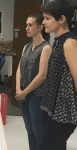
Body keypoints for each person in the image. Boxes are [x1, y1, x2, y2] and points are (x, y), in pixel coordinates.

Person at [40, 0, 77, 149]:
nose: (43, 22)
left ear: (61, 19)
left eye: (47, 18)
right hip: (52, 107)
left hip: (64, 112)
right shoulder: (58, 41)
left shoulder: (69, 42)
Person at [15, 13, 52, 150]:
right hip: (23, 93)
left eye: (30, 25)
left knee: (38, 130)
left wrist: (25, 92)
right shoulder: (26, 46)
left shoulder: (46, 48)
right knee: (29, 129)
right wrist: (19, 90)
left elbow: (42, 75)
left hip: (36, 95)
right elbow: (19, 69)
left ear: (40, 27)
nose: (26, 28)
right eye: (26, 25)